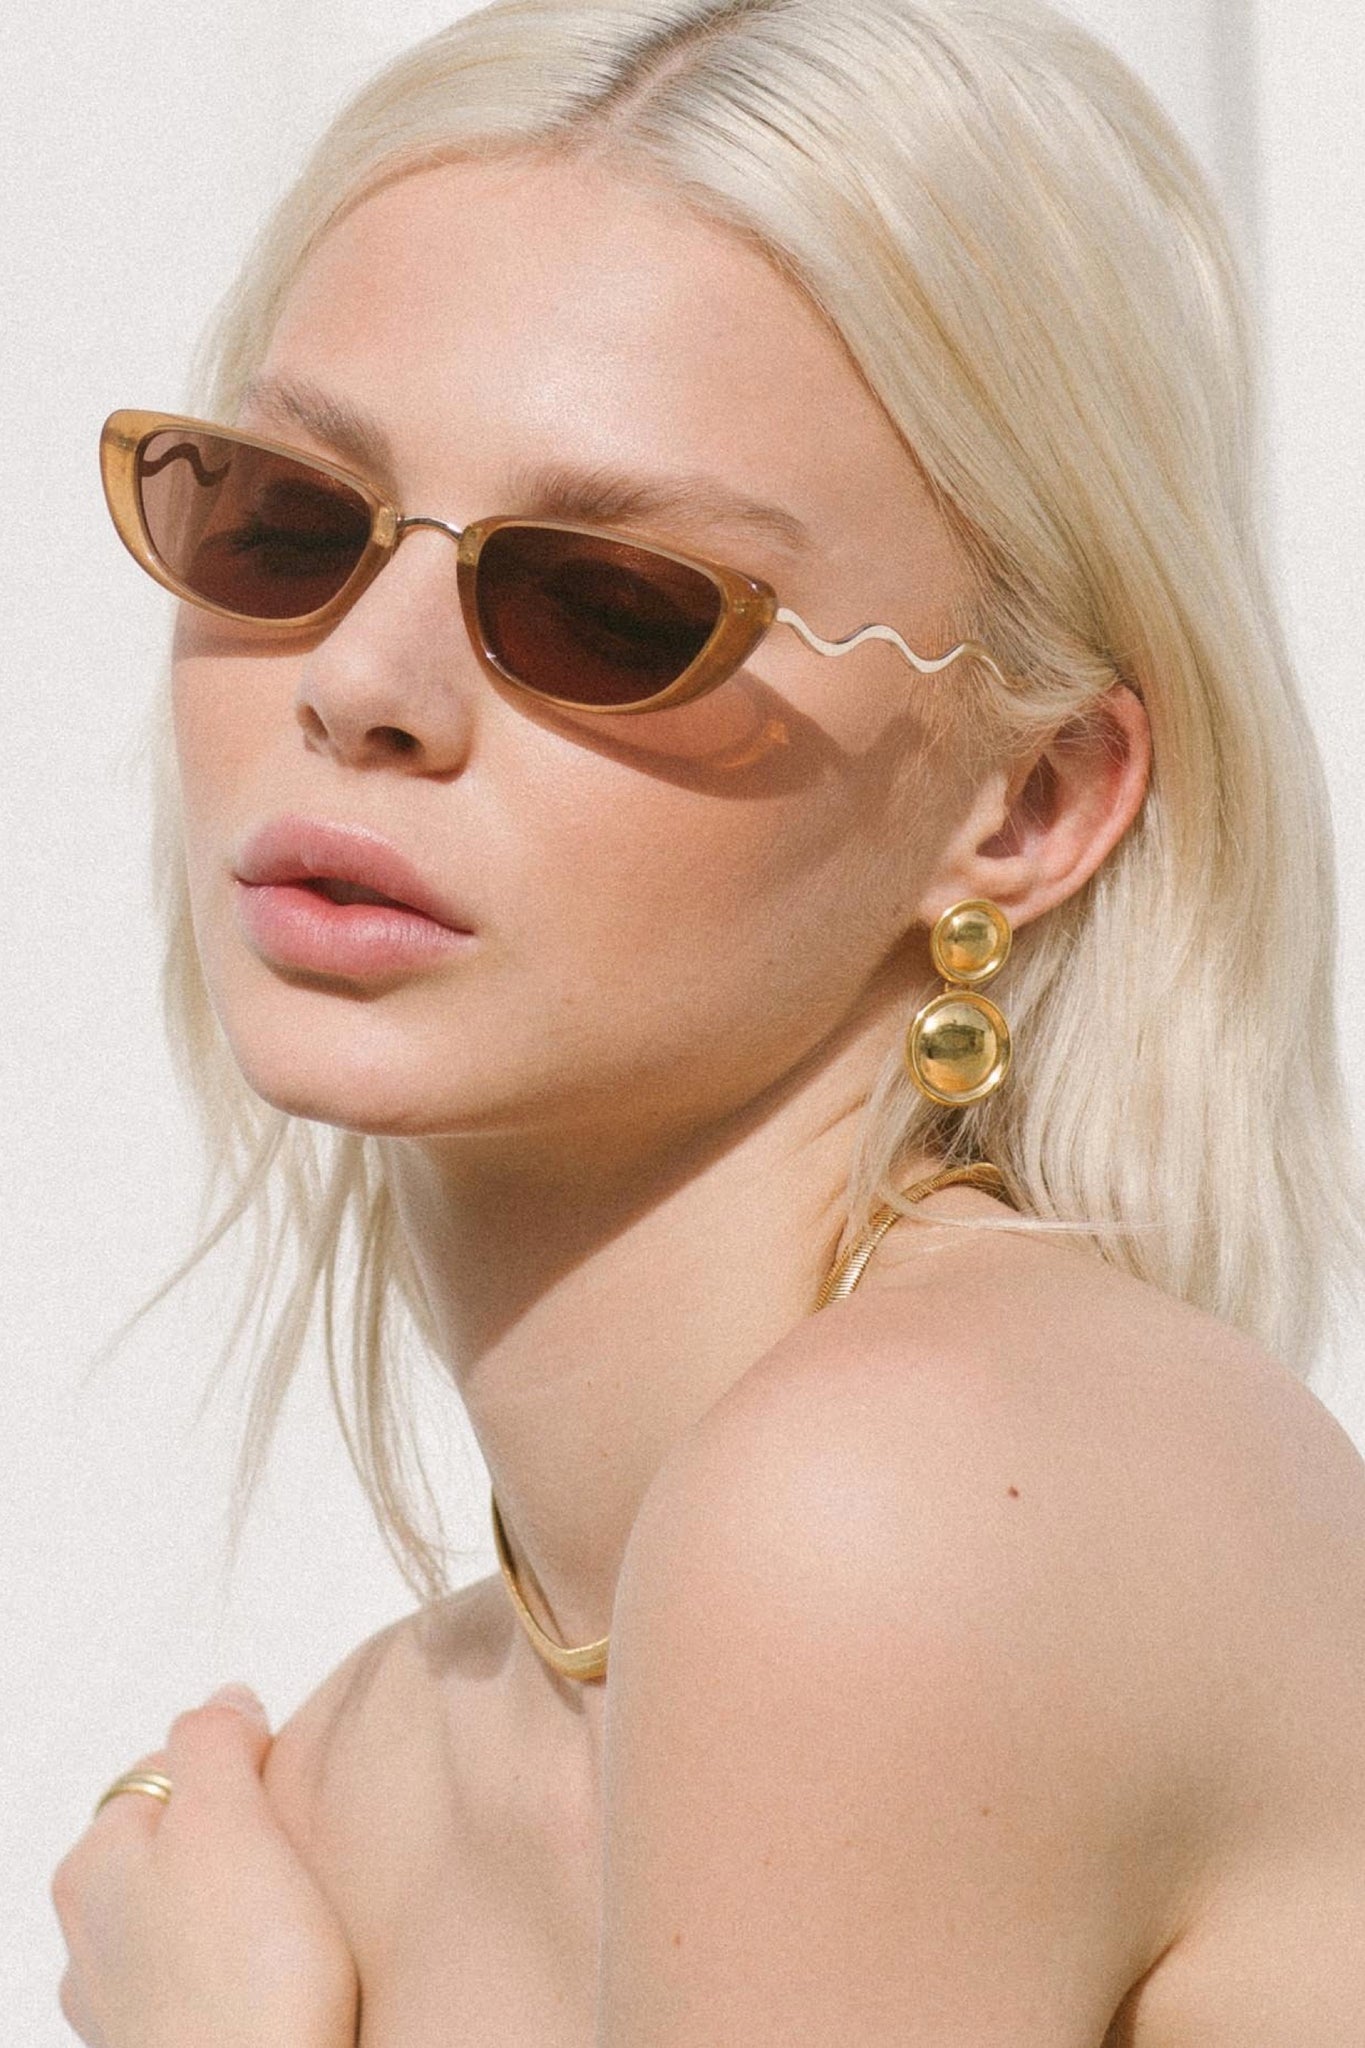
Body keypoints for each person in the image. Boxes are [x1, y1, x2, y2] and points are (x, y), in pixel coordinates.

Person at [51, 0, 1365, 2042]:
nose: (362, 682)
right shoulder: (370, 1770)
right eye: (287, 518)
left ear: (1023, 802)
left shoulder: (900, 1500)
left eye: (611, 603)